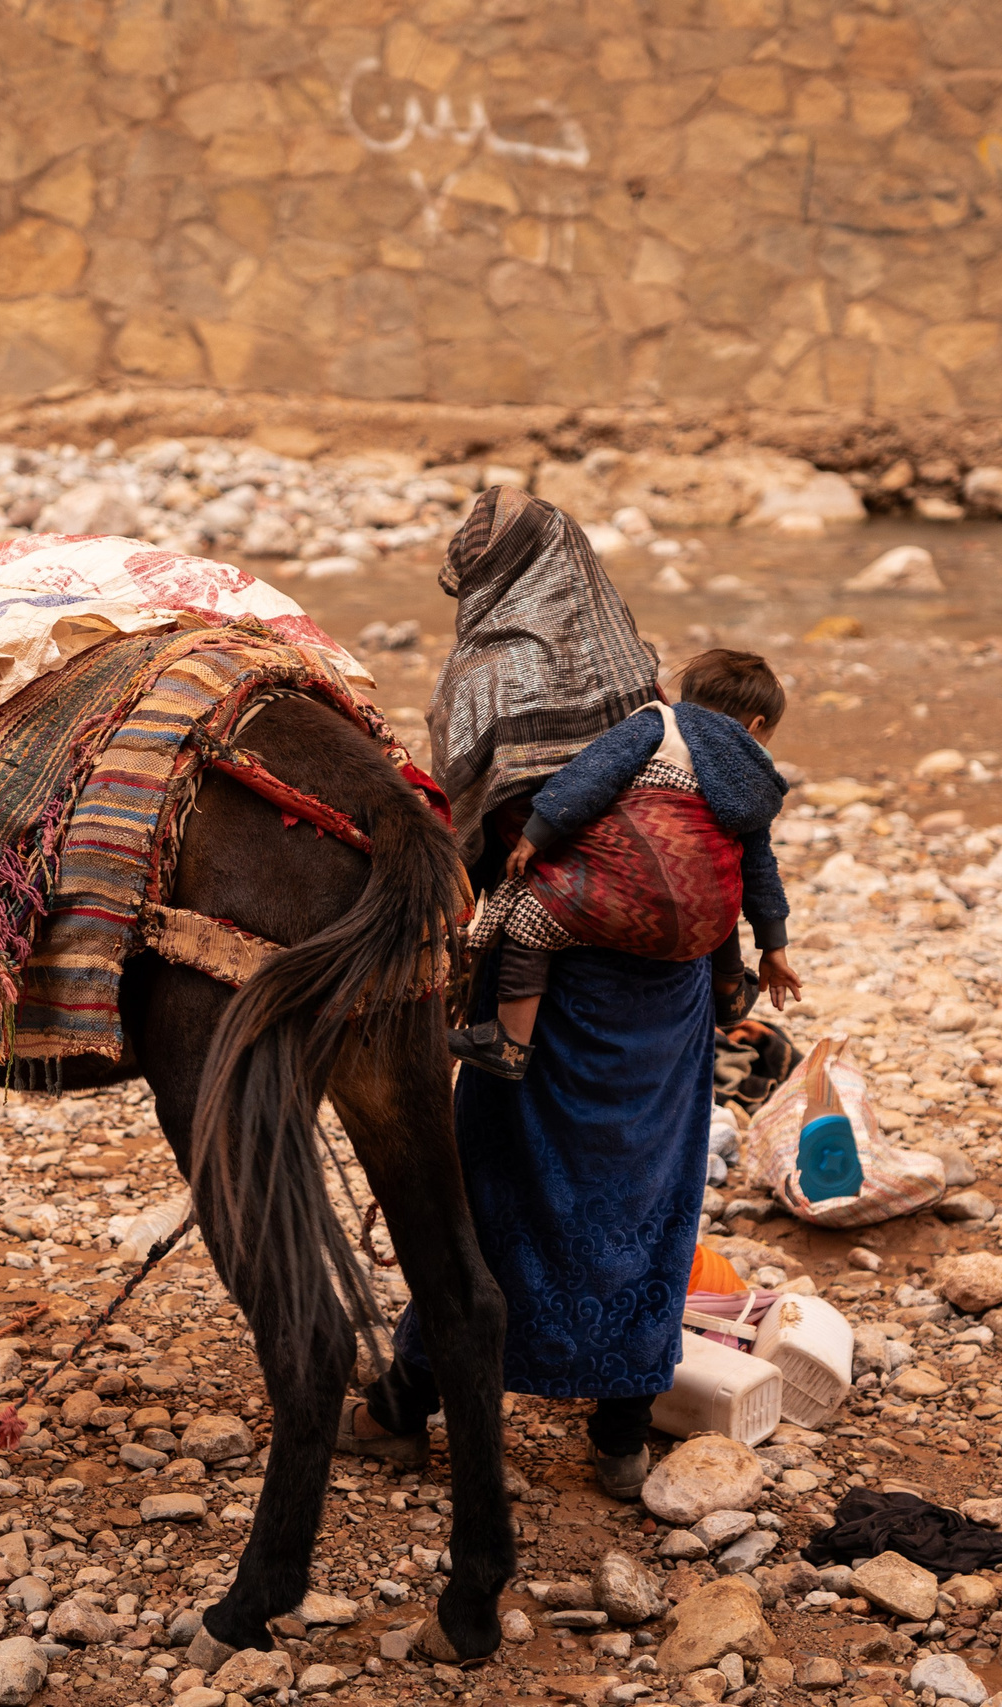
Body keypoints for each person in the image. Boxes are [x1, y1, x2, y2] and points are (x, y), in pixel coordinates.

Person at [336, 488, 730, 1500]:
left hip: (544, 981)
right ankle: (621, 1429)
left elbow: (464, 837)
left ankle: (408, 1403)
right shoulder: (624, 659)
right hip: (665, 993)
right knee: (648, 1196)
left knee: (495, 1187)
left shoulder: (485, 671)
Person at [449, 647, 800, 1080]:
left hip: (630, 909)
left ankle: (509, 1042)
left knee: (528, 911)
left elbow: (591, 777)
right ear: (757, 725)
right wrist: (774, 948)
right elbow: (761, 871)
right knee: (719, 874)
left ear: (687, 697)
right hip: (702, 933)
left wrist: (536, 834)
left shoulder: (660, 723)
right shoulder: (754, 776)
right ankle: (729, 992)